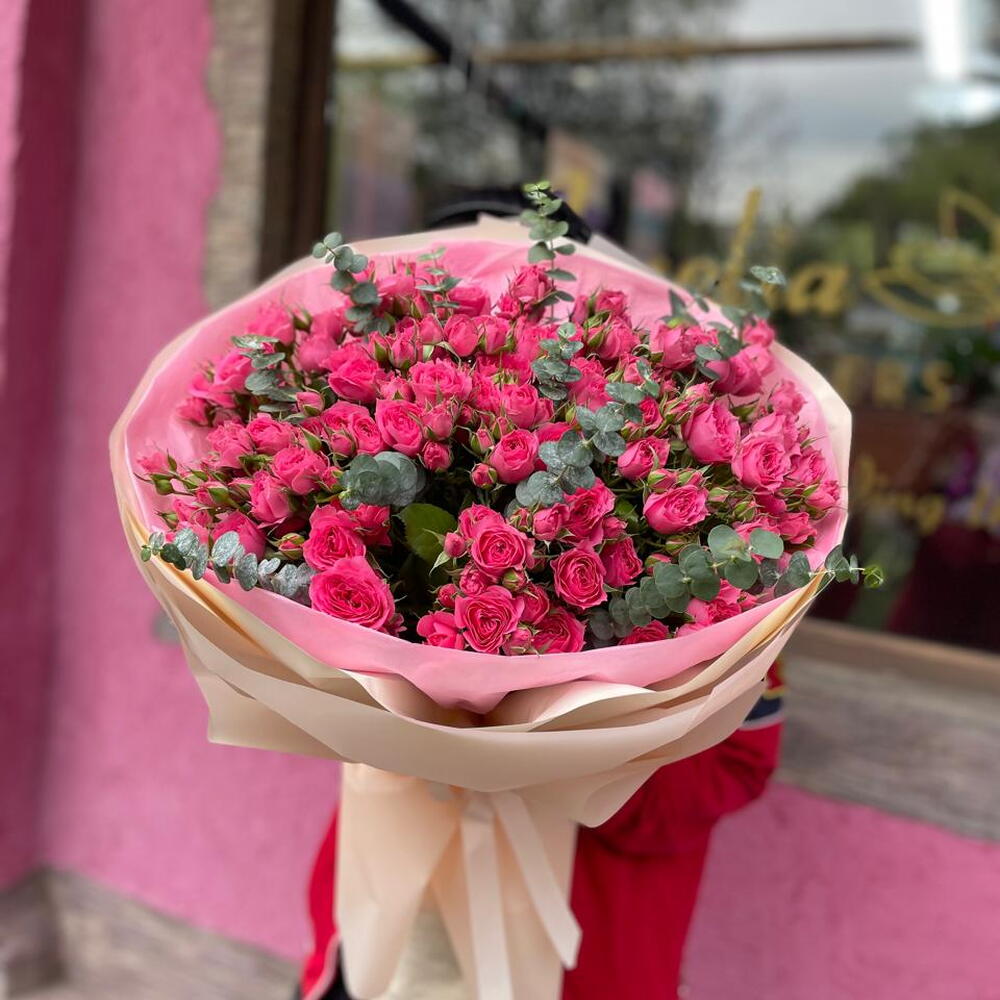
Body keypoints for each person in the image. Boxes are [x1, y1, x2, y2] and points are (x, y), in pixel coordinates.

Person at [295, 663, 785, 1000]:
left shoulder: (735, 601)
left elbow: (734, 768)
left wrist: (573, 754)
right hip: (382, 924)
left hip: (583, 954)